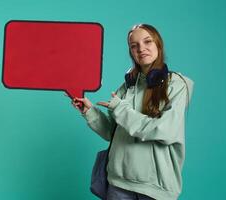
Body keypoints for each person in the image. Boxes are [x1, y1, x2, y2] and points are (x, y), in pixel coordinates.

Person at [72, 24, 194, 200]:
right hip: (118, 184)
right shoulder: (128, 86)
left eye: (147, 42)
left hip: (155, 187)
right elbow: (111, 133)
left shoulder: (176, 84)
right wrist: (90, 111)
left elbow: (165, 130)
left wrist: (120, 109)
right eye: (134, 45)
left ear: (158, 45)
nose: (141, 48)